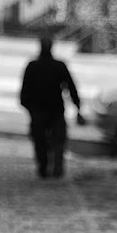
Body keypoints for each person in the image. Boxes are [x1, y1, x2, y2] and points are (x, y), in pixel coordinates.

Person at [19, 36, 85, 179]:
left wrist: (28, 107)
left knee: (41, 141)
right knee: (57, 139)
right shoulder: (58, 66)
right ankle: (56, 167)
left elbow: (24, 91)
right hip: (54, 110)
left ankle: (44, 167)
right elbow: (71, 87)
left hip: (41, 110)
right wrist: (77, 106)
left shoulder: (33, 66)